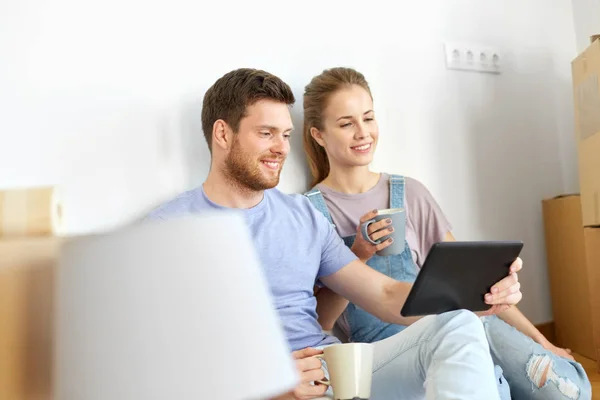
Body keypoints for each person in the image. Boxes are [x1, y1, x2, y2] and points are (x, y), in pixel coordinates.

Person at [145, 67, 525, 400]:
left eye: (285, 134)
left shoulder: (302, 216)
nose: (280, 148)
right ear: (223, 134)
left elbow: (384, 292)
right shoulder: (167, 231)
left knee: (456, 325)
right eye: (266, 133)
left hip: (335, 370)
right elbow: (159, 359)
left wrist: (478, 295)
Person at [301, 66, 592, 400]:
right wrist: (360, 253)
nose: (363, 133)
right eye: (346, 123)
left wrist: (542, 341)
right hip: (389, 352)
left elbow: (469, 286)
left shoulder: (409, 192)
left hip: (461, 324)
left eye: (368, 118)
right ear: (318, 135)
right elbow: (319, 320)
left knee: (568, 389)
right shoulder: (308, 213)